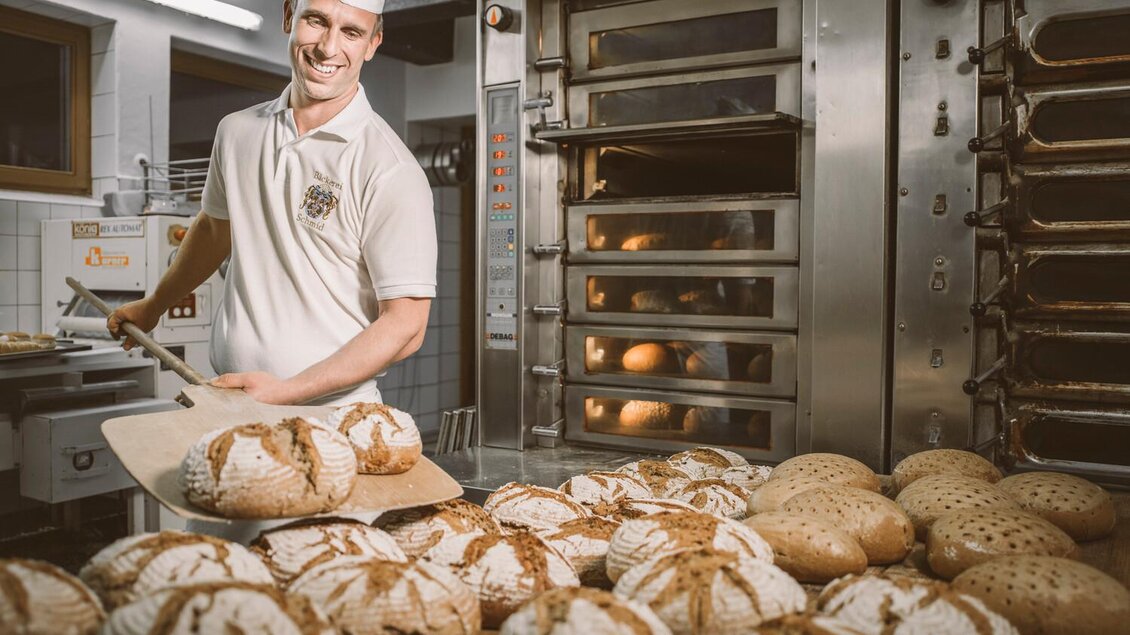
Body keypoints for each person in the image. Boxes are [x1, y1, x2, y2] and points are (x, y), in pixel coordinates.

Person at [107, 0, 436, 409]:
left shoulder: (388, 167)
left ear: (373, 43)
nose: (328, 47)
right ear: (288, 16)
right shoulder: (237, 132)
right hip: (232, 400)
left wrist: (285, 392)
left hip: (333, 414)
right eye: (316, 21)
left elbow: (406, 326)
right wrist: (154, 305)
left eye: (351, 32)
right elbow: (214, 230)